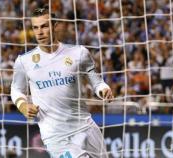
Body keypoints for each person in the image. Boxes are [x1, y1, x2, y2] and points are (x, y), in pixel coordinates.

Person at [11, 6, 113, 158]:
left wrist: (103, 89)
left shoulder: (79, 53)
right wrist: (23, 105)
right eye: (35, 27)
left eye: (44, 26)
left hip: (86, 127)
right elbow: (16, 90)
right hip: (56, 136)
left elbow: (96, 81)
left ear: (55, 26)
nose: (39, 32)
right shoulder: (24, 61)